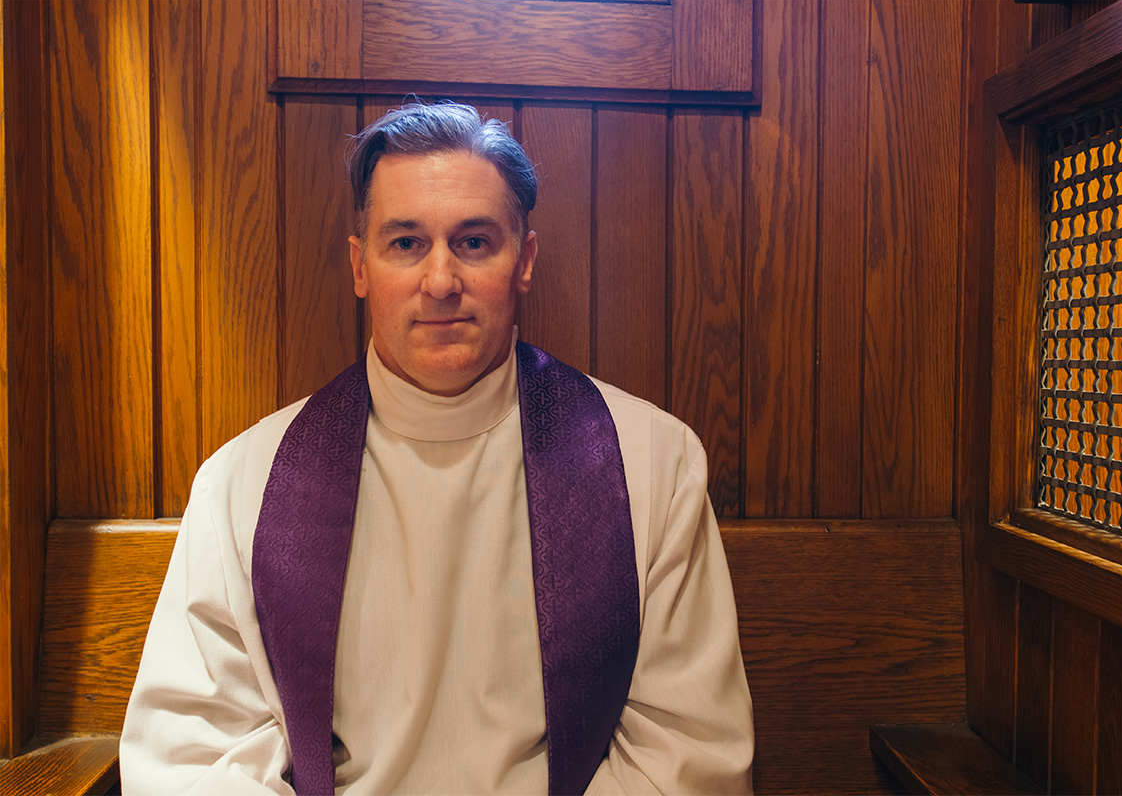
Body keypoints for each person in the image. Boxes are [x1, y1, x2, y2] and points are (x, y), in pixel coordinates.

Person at [120, 101, 754, 795]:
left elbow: (688, 754)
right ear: (361, 266)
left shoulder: (651, 466)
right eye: (406, 243)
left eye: (474, 242)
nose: (442, 281)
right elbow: (195, 756)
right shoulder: (243, 485)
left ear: (525, 260)